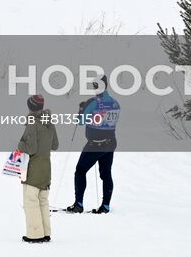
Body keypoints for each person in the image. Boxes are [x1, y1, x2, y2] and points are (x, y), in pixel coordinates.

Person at [66, 75, 119, 214]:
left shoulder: (94, 103)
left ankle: (78, 204)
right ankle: (106, 205)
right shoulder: (115, 103)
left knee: (80, 171)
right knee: (106, 174)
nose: (94, 88)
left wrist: (82, 109)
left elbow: (81, 121)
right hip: (111, 143)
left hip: (95, 144)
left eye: (95, 85)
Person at [17, 94, 59, 242]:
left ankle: (35, 235)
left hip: (33, 168)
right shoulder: (48, 121)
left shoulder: (32, 122)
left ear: (30, 107)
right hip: (46, 168)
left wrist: (20, 144)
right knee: (43, 200)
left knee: (31, 201)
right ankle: (46, 233)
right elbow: (55, 145)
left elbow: (30, 148)